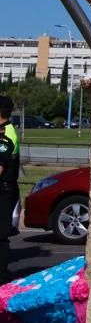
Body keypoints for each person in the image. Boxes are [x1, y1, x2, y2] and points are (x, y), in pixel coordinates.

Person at [0, 96, 18, 281]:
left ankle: (2, 277)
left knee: (0, 236)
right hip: (5, 188)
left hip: (3, 190)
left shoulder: (6, 134)